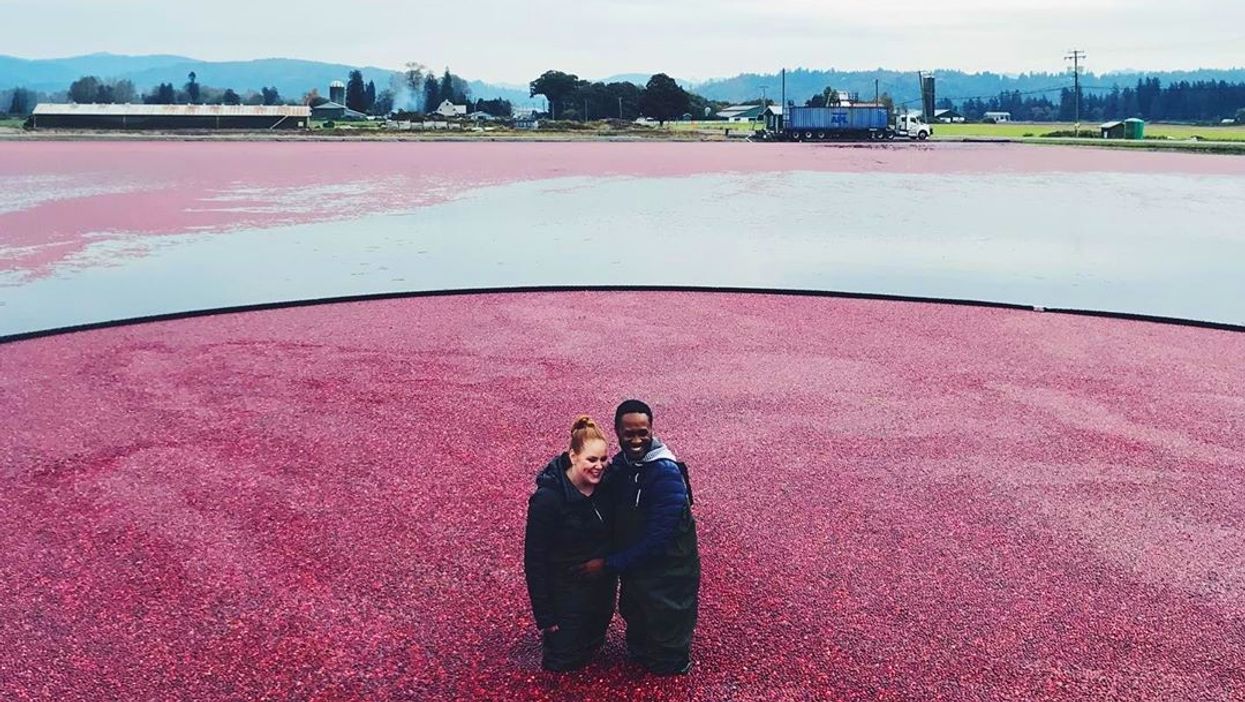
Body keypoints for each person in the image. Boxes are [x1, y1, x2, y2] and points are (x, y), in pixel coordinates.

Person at [577, 400, 700, 675]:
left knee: (666, 645)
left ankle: (671, 666)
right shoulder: (624, 465)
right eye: (629, 433)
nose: (636, 440)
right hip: (639, 568)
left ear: (652, 430)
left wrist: (608, 564)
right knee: (638, 625)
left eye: (642, 432)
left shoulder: (665, 474)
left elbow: (659, 539)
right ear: (617, 432)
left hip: (670, 571)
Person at [524, 415, 617, 672]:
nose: (599, 466)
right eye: (591, 459)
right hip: (565, 591)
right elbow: (535, 559)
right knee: (563, 662)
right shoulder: (548, 500)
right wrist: (545, 615)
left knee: (593, 649)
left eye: (603, 459)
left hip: (601, 589)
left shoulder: (607, 486)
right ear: (573, 456)